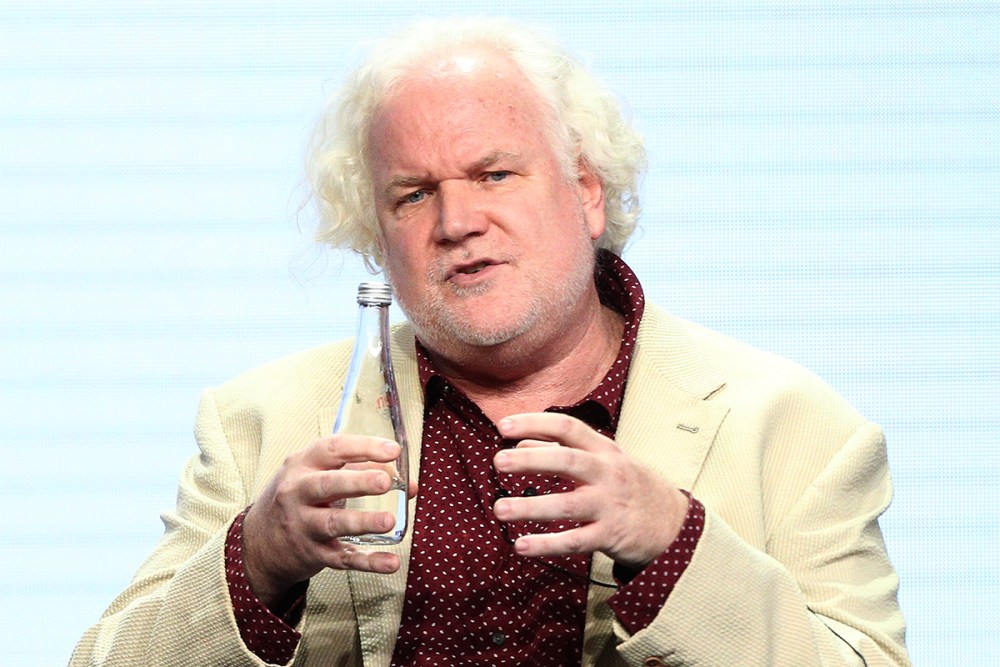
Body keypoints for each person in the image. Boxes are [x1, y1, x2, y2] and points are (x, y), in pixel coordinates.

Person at [71, 16, 911, 667]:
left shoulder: (796, 428)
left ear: (588, 190)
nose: (457, 222)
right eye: (412, 195)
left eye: (494, 174)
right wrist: (254, 562)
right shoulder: (260, 419)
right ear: (378, 235)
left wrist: (675, 539)